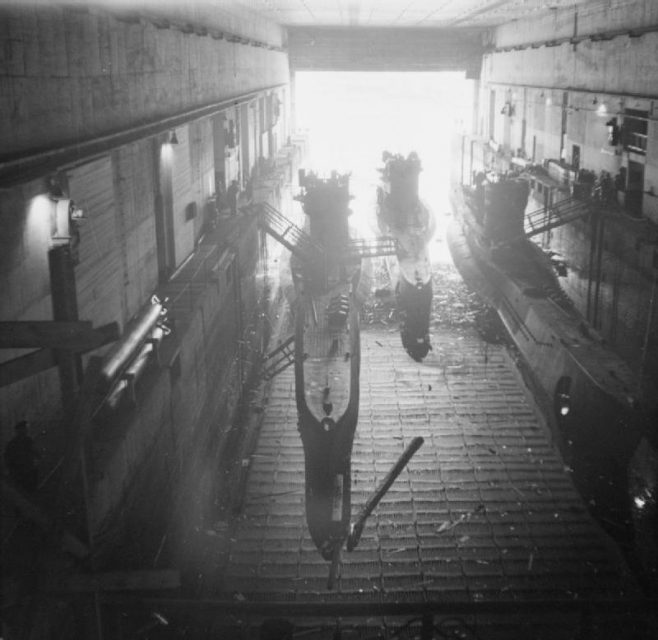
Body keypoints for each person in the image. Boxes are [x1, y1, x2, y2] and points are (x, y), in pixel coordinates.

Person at [4, 420, 40, 493]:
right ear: (19, 430)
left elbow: (36, 453)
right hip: (19, 471)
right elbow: (7, 457)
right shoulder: (13, 443)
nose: (26, 431)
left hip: (28, 471)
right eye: (24, 429)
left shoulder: (29, 441)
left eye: (26, 429)